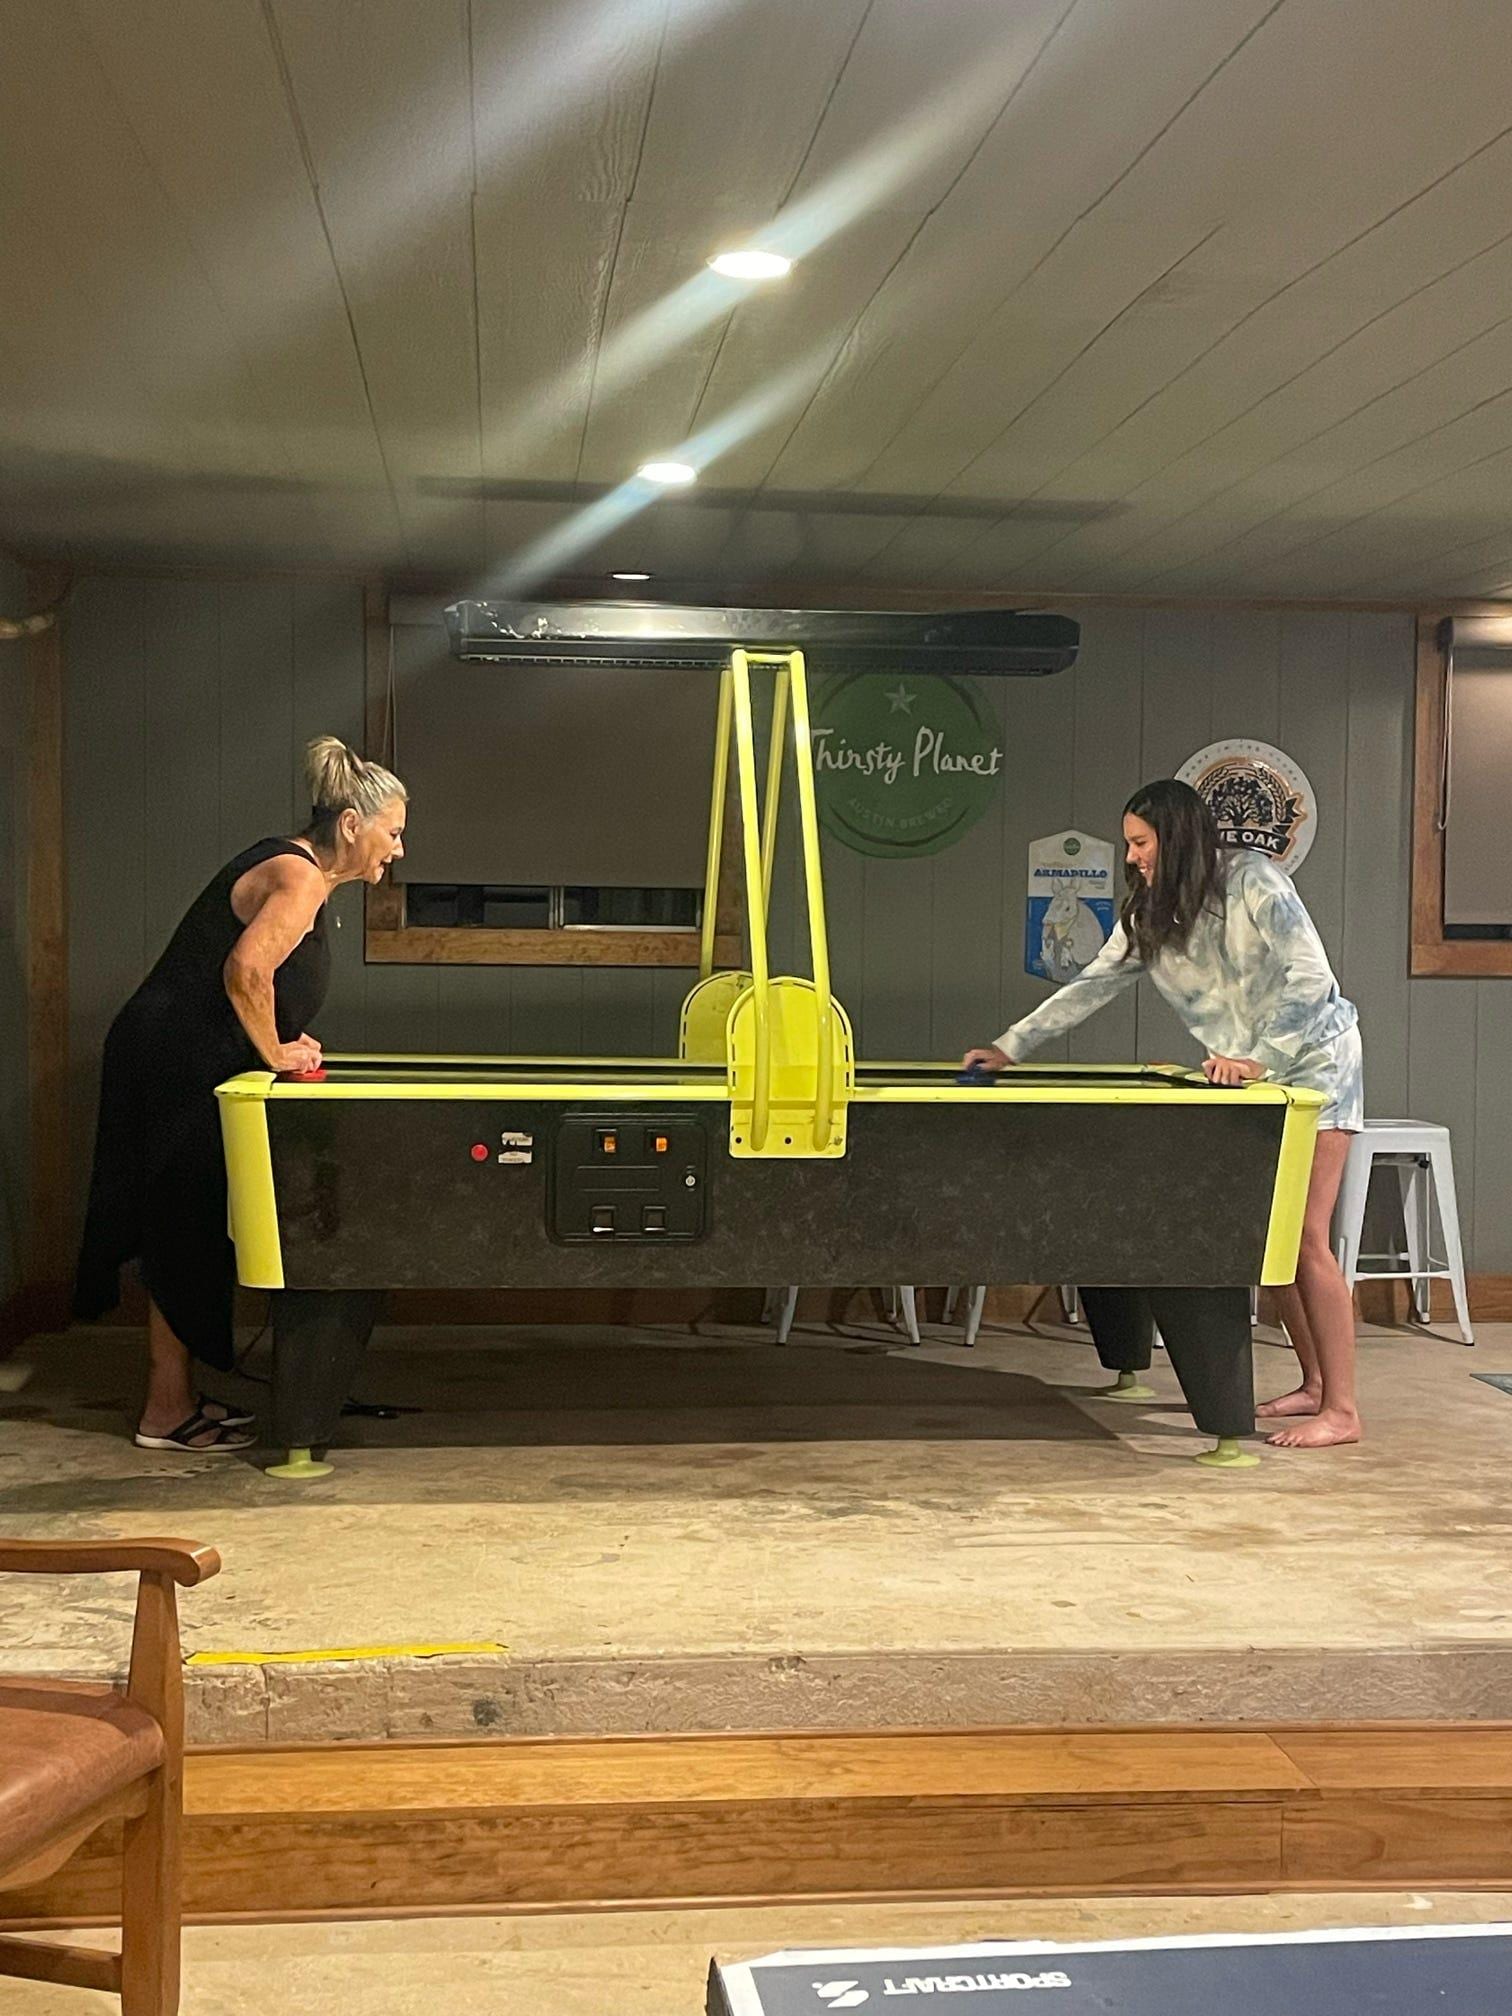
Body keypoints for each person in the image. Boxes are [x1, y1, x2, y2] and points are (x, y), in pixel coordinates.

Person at [965, 778, 1363, 1449]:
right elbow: (1090, 985)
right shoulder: (1150, 915)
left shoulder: (1253, 880)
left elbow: (1311, 976)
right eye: (1129, 844)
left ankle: (1344, 1410)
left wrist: (1261, 1059)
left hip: (1317, 1063)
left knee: (1303, 1238)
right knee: (1272, 1239)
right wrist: (1011, 1047)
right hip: (1248, 1075)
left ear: (1175, 839)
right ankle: (1315, 1383)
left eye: (1141, 843)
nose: (1132, 857)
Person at [74, 737, 408, 1451]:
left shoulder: (301, 870)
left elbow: (259, 984)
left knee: (194, 1228)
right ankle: (165, 1413)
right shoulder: (299, 877)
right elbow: (245, 972)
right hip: (173, 1063)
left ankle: (180, 1398)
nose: (399, 849)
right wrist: (275, 1052)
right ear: (352, 824)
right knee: (181, 1228)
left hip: (189, 1057)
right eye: (393, 832)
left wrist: (282, 1036)